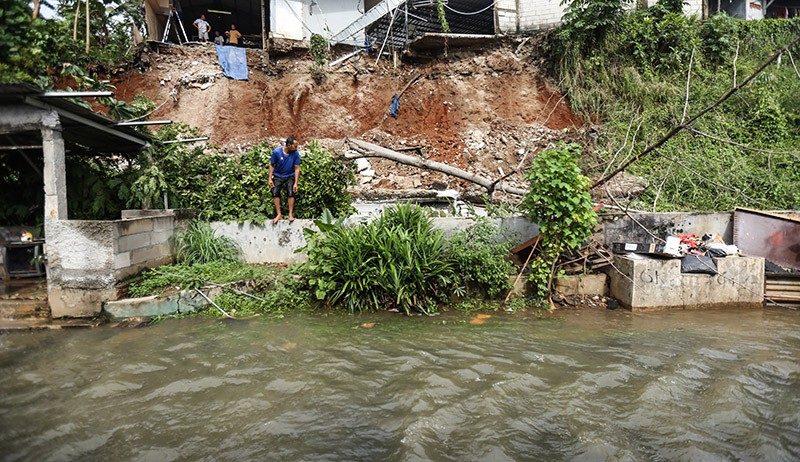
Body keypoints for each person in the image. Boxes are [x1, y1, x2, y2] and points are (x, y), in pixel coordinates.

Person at [269, 136, 301, 223]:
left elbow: (297, 168)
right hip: (278, 175)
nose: (296, 148)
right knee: (275, 193)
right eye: (295, 146)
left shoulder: (295, 154)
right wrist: (270, 179)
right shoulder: (277, 152)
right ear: (289, 145)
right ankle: (279, 214)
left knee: (291, 193)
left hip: (290, 176)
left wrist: (296, 183)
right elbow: (272, 165)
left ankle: (290, 214)